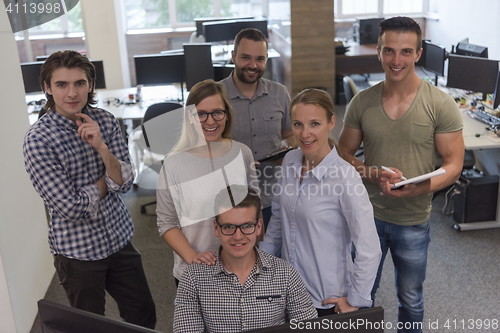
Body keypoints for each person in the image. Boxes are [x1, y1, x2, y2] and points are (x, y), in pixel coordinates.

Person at [338, 17, 464, 333]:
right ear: (378, 52)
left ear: (418, 53)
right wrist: (371, 173)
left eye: (406, 52)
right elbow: (342, 155)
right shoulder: (361, 102)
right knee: (358, 296)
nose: (397, 60)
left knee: (410, 300)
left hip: (413, 221)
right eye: (390, 51)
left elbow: (454, 164)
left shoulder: (440, 104)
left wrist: (421, 187)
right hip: (367, 217)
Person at [23, 50, 156, 328]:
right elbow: (71, 208)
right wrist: (105, 181)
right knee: (91, 328)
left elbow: (125, 182)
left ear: (90, 84)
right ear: (47, 88)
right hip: (78, 254)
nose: (72, 93)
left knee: (143, 315)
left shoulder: (105, 121)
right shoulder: (38, 141)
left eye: (79, 83)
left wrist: (102, 149)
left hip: (119, 239)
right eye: (61, 85)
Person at [260, 88, 381, 317]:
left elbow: (369, 247)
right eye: (298, 124)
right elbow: (278, 219)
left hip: (325, 299)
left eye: (314, 124)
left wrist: (355, 298)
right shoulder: (290, 160)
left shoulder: (345, 177)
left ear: (331, 122)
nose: (305, 134)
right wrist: (261, 263)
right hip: (289, 291)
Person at [173, 185, 317, 333]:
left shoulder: (285, 273)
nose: (238, 236)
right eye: (228, 227)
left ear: (259, 226)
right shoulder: (193, 278)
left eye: (247, 226)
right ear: (216, 228)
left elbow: (309, 328)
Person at [156, 79, 259, 285]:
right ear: (190, 117)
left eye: (217, 112)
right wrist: (192, 258)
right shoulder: (174, 163)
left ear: (226, 114)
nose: (210, 121)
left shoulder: (242, 153)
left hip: (240, 268)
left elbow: (255, 210)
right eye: (201, 114)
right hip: (195, 271)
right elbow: (167, 223)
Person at [220, 28, 296, 229]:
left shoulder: (279, 93)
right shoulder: (215, 96)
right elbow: (200, 148)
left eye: (260, 59)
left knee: (273, 257)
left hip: (272, 196)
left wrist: (286, 146)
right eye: (245, 57)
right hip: (229, 199)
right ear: (233, 56)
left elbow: (289, 133)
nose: (253, 65)